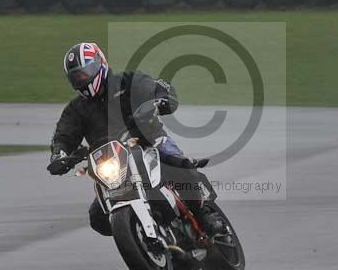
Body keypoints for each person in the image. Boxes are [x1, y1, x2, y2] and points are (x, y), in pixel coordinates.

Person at [48, 42, 223, 236]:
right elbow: (63, 135)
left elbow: (159, 87)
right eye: (76, 77)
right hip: (112, 162)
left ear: (100, 63)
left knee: (179, 166)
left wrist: (162, 99)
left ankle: (204, 214)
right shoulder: (76, 109)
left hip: (149, 141)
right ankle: (136, 234)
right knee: (97, 217)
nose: (82, 79)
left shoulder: (128, 82)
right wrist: (59, 155)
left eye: (85, 72)